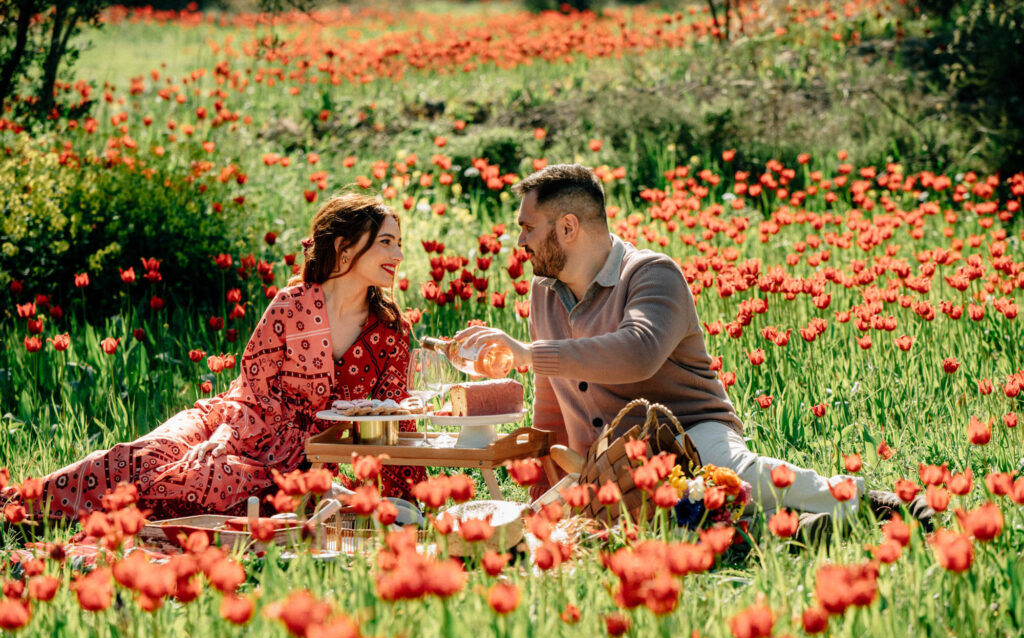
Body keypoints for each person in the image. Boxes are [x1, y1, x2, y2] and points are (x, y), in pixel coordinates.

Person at [454, 164, 931, 533]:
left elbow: (638, 351)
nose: (519, 242)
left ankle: (873, 503)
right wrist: (545, 491)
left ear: (569, 227)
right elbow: (551, 409)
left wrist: (526, 353)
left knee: (731, 475)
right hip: (608, 466)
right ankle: (799, 532)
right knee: (608, 530)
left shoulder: (651, 275)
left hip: (689, 432)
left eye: (528, 227)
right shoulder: (544, 291)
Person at [5, 194, 425, 522]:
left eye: (398, 244)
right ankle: (15, 508)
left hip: (307, 461)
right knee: (141, 456)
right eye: (386, 243)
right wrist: (220, 438)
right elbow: (250, 391)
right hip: (233, 422)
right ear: (344, 247)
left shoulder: (390, 329)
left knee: (199, 480)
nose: (398, 256)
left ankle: (107, 522)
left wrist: (410, 502)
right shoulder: (292, 305)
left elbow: (395, 417)